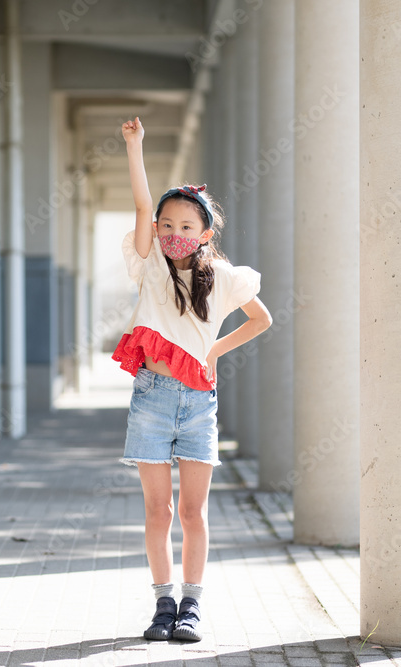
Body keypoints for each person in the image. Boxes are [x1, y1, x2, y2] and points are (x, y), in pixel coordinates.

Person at [112, 116, 272, 643]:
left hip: (199, 402)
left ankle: (192, 606)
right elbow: (141, 203)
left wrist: (215, 353)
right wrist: (136, 146)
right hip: (152, 399)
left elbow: (261, 319)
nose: (174, 234)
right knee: (157, 511)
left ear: (205, 234)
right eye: (167, 225)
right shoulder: (150, 267)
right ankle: (162, 604)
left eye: (186, 227)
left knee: (192, 511)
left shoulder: (223, 278)